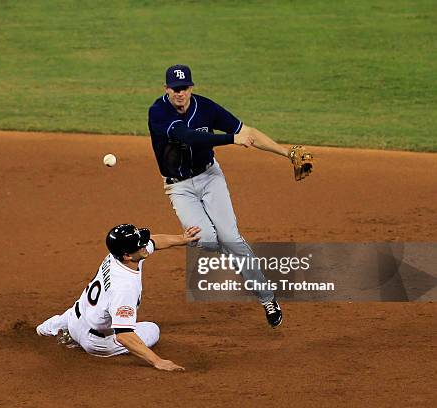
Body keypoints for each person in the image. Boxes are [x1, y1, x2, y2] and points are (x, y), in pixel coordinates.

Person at [148, 64, 310, 328]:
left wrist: (287, 153)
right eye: (174, 89)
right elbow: (189, 137)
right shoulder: (158, 112)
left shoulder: (206, 107)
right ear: (166, 89)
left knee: (232, 238)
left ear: (191, 87)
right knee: (206, 239)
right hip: (179, 187)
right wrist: (230, 139)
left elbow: (249, 133)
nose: (179, 93)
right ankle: (237, 251)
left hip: (210, 178)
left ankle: (267, 297)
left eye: (184, 88)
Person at [36, 223, 201, 371]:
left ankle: (51, 331)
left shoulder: (118, 256)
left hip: (73, 318)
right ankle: (75, 341)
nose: (145, 246)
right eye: (141, 245)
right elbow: (123, 335)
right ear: (128, 256)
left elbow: (154, 242)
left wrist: (182, 238)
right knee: (152, 329)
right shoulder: (125, 286)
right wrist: (157, 361)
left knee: (41, 332)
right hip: (96, 341)